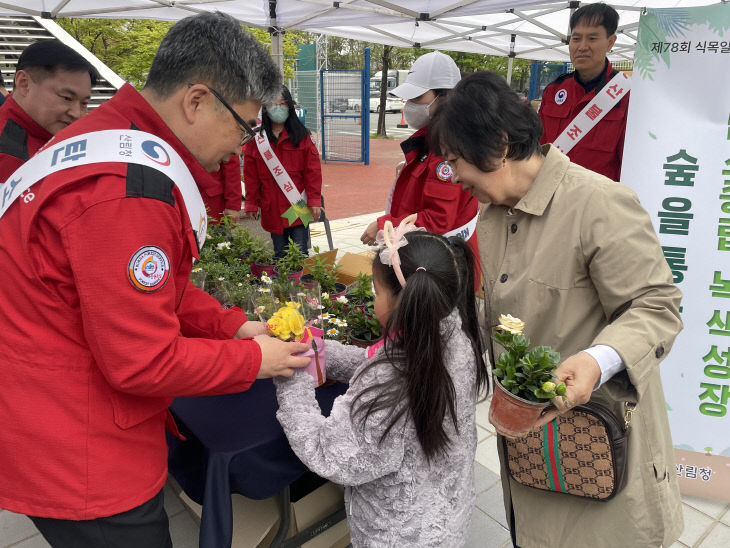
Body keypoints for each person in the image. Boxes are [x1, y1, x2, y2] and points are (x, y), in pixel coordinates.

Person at [0, 13, 310, 547]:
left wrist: (232, 327)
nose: (243, 146)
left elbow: (154, 282)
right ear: (196, 100)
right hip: (83, 454)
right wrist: (258, 361)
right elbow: (141, 361)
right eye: (244, 125)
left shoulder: (112, 138)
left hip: (55, 413)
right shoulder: (127, 191)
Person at [430, 71, 684, 548]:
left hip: (601, 442)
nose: (454, 178)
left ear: (500, 144)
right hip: (535, 444)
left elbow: (657, 307)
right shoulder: (493, 213)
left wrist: (596, 360)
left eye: (455, 161)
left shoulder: (600, 204)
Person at [275, 223, 489, 546]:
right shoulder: (454, 338)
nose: (374, 301)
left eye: (377, 293)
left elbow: (325, 451)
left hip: (395, 534)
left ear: (402, 301)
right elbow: (391, 368)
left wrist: (290, 378)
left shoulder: (387, 384)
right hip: (446, 517)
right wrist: (324, 353)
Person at [360, 51, 481, 265]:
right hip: (422, 256)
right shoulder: (431, 139)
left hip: (442, 268)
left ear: (444, 97)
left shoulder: (449, 148)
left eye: (418, 97)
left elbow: (438, 220)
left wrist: (385, 225)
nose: (410, 104)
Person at [539, 3, 628, 181]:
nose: (582, 46)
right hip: (551, 197)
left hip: (600, 202)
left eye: (592, 38)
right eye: (576, 38)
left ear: (610, 42)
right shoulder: (554, 90)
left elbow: (629, 164)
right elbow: (537, 148)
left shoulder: (626, 95)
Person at [0, 39, 95, 182]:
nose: (76, 113)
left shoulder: (68, 140)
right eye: (67, 98)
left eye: (84, 103)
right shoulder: (7, 153)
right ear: (24, 83)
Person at [243, 85, 322, 258]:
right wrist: (251, 203)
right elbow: (251, 177)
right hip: (272, 208)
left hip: (298, 205)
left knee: (300, 253)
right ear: (265, 108)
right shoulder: (258, 141)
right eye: (273, 104)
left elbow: (313, 172)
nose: (278, 108)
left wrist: (315, 199)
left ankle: (299, 284)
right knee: (279, 253)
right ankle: (284, 284)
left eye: (283, 104)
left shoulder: (303, 137)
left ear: (290, 107)